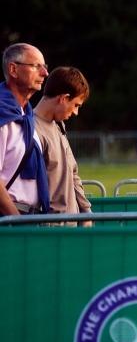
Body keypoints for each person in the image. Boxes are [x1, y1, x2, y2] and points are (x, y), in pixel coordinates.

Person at [33, 66, 92, 222]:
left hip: (69, 225)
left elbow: (73, 173)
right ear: (64, 98)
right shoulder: (31, 130)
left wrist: (86, 212)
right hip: (49, 230)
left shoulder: (59, 126)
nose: (76, 112)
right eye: (76, 105)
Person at [0, 43, 50, 215]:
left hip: (28, 217)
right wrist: (16, 220)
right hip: (10, 221)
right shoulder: (2, 115)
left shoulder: (26, 116)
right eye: (37, 66)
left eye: (45, 67)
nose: (45, 73)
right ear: (13, 70)